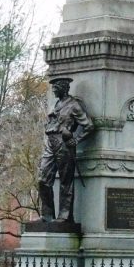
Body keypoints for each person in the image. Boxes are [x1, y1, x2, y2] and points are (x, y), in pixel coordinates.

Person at [37, 76, 93, 222]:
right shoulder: (56, 104)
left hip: (64, 144)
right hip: (51, 143)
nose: (53, 90)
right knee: (43, 179)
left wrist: (76, 139)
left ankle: (65, 216)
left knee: (65, 181)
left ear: (63, 88)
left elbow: (88, 125)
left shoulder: (73, 105)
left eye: (56, 88)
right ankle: (47, 215)